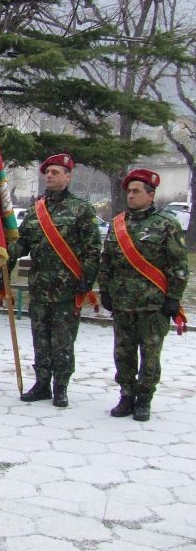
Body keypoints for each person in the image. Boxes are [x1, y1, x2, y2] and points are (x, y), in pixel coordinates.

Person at [11, 153, 101, 408]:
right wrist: (5, 256)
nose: (49, 176)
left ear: (68, 177)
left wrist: (86, 279)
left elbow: (93, 249)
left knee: (63, 341)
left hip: (67, 289)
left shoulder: (81, 209)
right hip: (40, 286)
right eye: (47, 172)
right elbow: (24, 243)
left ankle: (60, 386)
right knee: (40, 338)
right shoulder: (35, 209)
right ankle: (42, 383)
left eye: (55, 172)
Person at [98, 169, 189, 421]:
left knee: (150, 356)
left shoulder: (167, 224)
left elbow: (179, 265)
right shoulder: (118, 224)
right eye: (129, 191)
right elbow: (107, 262)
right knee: (123, 354)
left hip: (153, 304)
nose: (130, 195)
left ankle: (144, 399)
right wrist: (105, 291)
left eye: (136, 191)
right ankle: (126, 395)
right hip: (123, 303)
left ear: (150, 195)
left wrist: (173, 297)